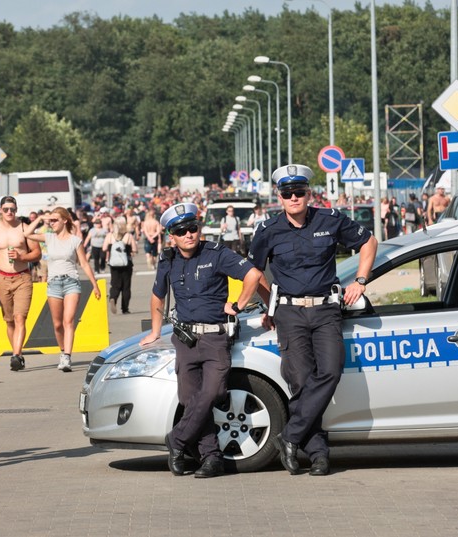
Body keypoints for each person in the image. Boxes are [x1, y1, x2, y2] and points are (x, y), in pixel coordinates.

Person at [248, 164, 377, 476]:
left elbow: (369, 242)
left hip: (325, 310)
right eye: (287, 193)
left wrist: (360, 280)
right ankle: (319, 454)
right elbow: (254, 273)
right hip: (289, 314)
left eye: (299, 192)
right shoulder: (268, 231)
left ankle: (290, 436)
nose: (294, 198)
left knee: (331, 371)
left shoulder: (330, 220)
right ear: (279, 197)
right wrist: (270, 306)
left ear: (308, 194)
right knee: (303, 383)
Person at [139, 202, 261, 479]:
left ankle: (177, 440)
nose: (189, 234)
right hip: (185, 339)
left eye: (193, 228)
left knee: (213, 393)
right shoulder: (167, 259)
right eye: (181, 231)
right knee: (189, 398)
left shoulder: (217, 253)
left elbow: (253, 275)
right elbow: (158, 295)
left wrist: (239, 305)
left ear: (199, 228)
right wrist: (156, 331)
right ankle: (211, 458)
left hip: (215, 338)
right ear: (172, 235)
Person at [24, 208, 101, 372]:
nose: (51, 223)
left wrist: (94, 285)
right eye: (50, 221)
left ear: (65, 220)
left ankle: (67, 356)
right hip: (54, 283)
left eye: (55, 220)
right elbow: (27, 233)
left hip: (71, 281)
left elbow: (84, 264)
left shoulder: (75, 240)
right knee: (57, 324)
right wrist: (40, 218)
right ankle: (62, 351)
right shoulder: (49, 237)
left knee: (68, 321)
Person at [0, 196, 41, 371]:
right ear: (0, 210)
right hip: (2, 279)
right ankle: (16, 352)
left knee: (20, 317)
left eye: (12, 209)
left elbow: (37, 253)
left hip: (22, 278)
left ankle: (16, 355)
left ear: (16, 209)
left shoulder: (25, 229)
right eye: (6, 209)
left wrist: (22, 257)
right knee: (10, 321)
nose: (9, 212)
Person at [103, 219, 137, 314]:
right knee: (126, 286)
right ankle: (125, 308)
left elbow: (104, 248)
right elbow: (134, 249)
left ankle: (113, 297)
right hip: (127, 264)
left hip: (114, 264)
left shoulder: (110, 236)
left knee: (115, 284)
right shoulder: (128, 236)